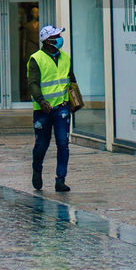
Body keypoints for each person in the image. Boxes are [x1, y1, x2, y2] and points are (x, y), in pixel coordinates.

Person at [28, 24, 83, 192]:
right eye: (57, 36)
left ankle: (61, 180)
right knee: (42, 144)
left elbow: (71, 80)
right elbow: (33, 83)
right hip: (43, 110)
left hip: (62, 107)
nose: (60, 39)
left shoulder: (65, 57)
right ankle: (37, 170)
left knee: (63, 144)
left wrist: (76, 101)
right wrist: (42, 101)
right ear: (48, 41)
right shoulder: (36, 59)